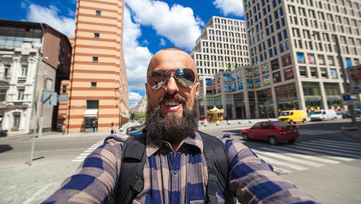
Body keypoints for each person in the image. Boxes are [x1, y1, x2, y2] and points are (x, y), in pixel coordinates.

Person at [42, 47, 319, 203]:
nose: (172, 87)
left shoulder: (226, 151)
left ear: (196, 90)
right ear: (149, 89)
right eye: (160, 78)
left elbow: (273, 188)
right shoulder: (117, 153)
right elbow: (79, 190)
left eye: (184, 77)